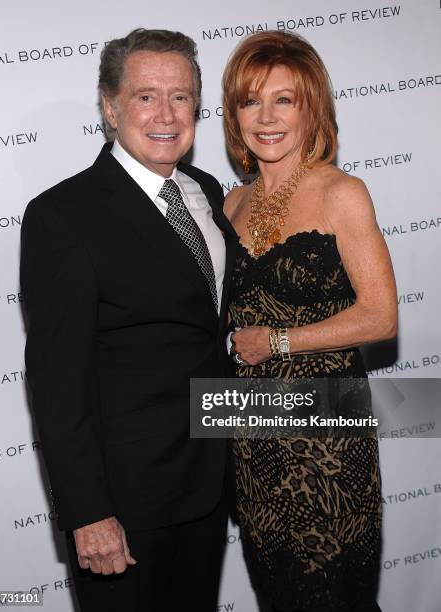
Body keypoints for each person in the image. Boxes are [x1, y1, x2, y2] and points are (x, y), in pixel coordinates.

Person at [20, 28, 237, 612]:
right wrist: (88, 513)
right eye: (146, 96)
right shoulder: (63, 216)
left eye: (182, 96)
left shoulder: (207, 193)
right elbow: (57, 382)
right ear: (111, 108)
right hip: (125, 503)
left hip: (208, 483)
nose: (166, 113)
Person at [222, 31, 397, 612]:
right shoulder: (229, 205)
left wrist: (277, 341)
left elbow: (381, 315)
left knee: (331, 596)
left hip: (325, 438)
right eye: (251, 101)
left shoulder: (340, 193)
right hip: (252, 439)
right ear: (234, 113)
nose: (266, 117)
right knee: (276, 593)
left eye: (284, 100)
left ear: (311, 109)